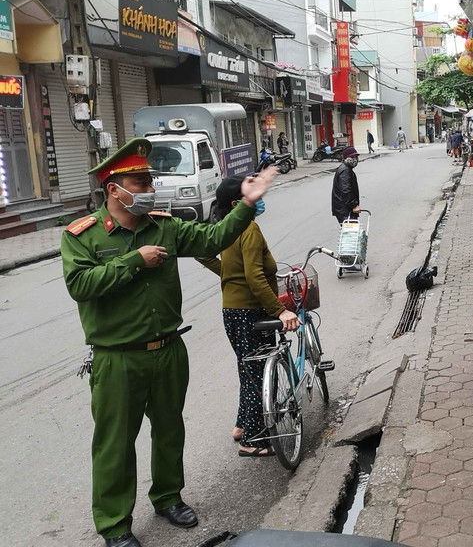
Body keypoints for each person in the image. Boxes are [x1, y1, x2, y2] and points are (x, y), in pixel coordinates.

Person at [61, 138, 276, 547]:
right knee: (115, 444)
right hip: (117, 357)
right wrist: (133, 261)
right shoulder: (82, 237)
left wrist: (246, 204)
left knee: (169, 430)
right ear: (114, 189)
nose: (149, 188)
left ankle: (168, 497)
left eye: (149, 180)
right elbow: (81, 285)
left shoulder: (165, 226)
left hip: (168, 349)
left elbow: (213, 240)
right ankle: (114, 524)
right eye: (140, 182)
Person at [197, 177, 300, 459]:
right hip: (250, 310)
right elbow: (255, 277)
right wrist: (281, 310)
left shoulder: (226, 227)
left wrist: (230, 278)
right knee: (257, 372)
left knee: (247, 368)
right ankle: (252, 439)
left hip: (232, 311)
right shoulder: (248, 227)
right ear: (236, 203)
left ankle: (242, 426)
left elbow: (202, 253)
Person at [332, 145, 361, 224]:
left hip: (344, 209)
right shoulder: (345, 171)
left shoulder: (347, 169)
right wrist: (354, 205)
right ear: (346, 158)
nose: (355, 159)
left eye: (356, 157)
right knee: (351, 233)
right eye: (352, 157)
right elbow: (345, 190)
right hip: (345, 210)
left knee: (351, 233)